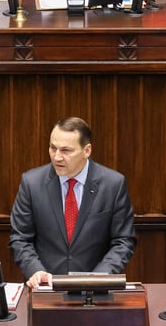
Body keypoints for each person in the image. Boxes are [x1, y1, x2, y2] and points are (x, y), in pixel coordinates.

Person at [9, 117, 136, 288]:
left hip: (96, 293)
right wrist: (35, 270)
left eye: (66, 150)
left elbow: (123, 241)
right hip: (45, 289)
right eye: (53, 148)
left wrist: (97, 279)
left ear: (87, 150)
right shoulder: (31, 183)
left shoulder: (113, 185)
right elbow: (20, 238)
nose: (57, 157)